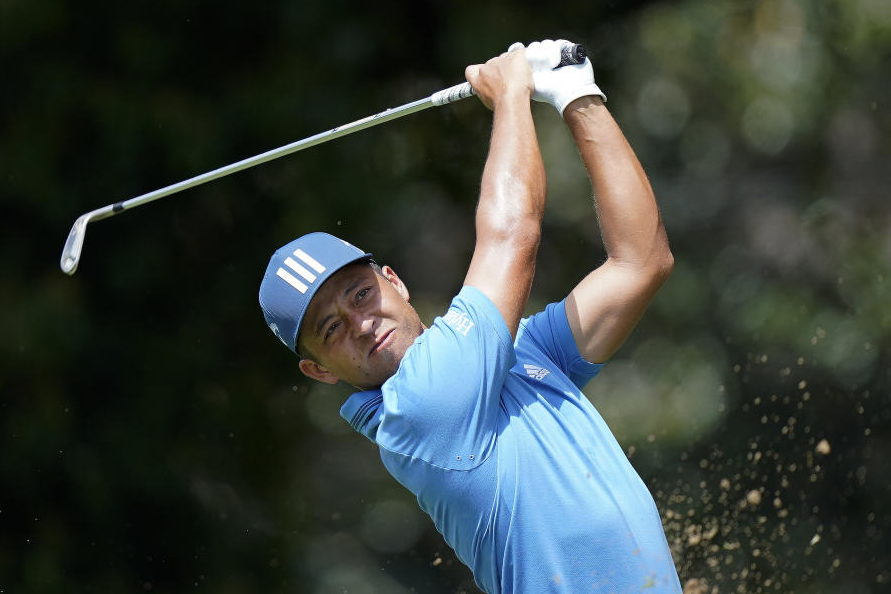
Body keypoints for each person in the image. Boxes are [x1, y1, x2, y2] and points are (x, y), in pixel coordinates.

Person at [258, 39, 679, 593]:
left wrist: (578, 93)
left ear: (394, 282)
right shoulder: (421, 409)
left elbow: (640, 263)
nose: (360, 323)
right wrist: (511, 96)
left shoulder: (522, 355)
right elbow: (512, 235)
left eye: (359, 294)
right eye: (331, 329)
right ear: (320, 372)